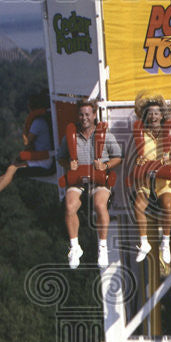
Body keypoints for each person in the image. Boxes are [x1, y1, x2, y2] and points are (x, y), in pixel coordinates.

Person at [57, 100, 122, 268]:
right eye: (81, 115)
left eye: (87, 114)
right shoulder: (70, 136)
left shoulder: (105, 135)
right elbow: (61, 158)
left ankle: (102, 246)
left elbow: (118, 157)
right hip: (78, 179)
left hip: (99, 179)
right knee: (69, 206)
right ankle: (75, 246)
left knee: (100, 205)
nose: (84, 118)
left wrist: (105, 166)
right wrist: (67, 164)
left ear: (94, 115)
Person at [130, 93, 171, 274]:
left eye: (156, 113)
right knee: (138, 206)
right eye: (150, 113)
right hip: (146, 179)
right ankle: (144, 242)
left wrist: (167, 162)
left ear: (162, 116)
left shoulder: (169, 136)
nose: (153, 117)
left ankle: (165, 242)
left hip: (164, 180)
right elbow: (137, 160)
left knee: (167, 205)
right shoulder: (141, 136)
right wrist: (139, 163)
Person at [0, 94, 55, 204]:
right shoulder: (42, 121)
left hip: (44, 162)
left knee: (13, 168)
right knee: (13, 167)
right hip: (44, 159)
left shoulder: (38, 123)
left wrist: (25, 130)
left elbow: (27, 142)